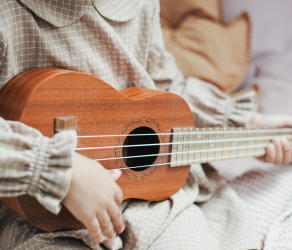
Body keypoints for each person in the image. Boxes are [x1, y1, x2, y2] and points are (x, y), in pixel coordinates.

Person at [0, 1, 291, 249]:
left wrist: (244, 122)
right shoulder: (7, 15)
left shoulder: (138, 4)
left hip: (153, 204)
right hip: (40, 218)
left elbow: (165, 86)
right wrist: (59, 170)